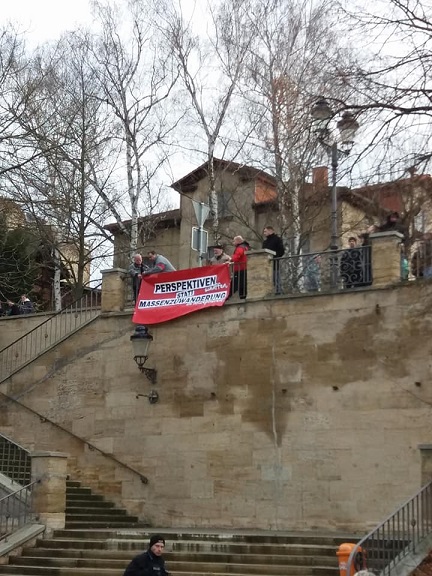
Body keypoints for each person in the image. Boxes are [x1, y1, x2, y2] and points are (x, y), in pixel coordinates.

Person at [262, 226, 285, 294]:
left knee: (276, 277)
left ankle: (279, 291)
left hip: (274, 262)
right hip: (266, 263)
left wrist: (275, 257)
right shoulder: (265, 242)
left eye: (265, 231)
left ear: (270, 231)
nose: (264, 233)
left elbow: (281, 251)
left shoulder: (277, 239)